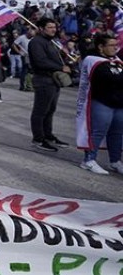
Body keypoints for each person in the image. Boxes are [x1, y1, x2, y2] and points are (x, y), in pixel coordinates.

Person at [76, 34, 123, 174]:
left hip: (119, 103)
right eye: (111, 45)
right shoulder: (92, 60)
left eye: (116, 44)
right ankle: (88, 160)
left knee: (117, 133)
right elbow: (107, 78)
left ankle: (115, 161)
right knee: (97, 131)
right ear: (101, 47)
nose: (116, 47)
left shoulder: (116, 60)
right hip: (102, 101)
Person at [28, 18, 71, 152]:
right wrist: (60, 67)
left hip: (54, 81)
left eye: (54, 27)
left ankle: (48, 135)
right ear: (41, 28)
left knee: (50, 110)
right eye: (50, 27)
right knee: (40, 111)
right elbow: (40, 61)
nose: (53, 29)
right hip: (43, 80)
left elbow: (53, 58)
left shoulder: (50, 42)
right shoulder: (36, 42)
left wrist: (65, 56)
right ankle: (38, 139)